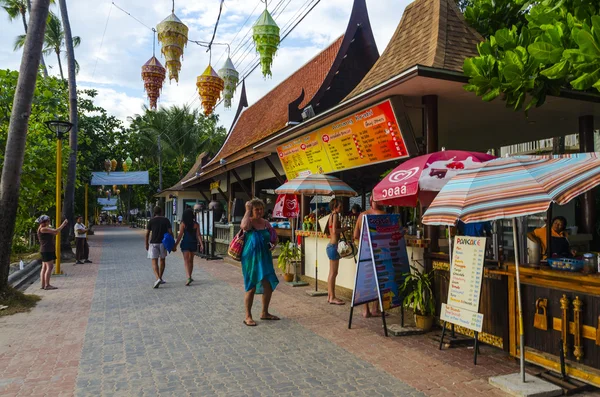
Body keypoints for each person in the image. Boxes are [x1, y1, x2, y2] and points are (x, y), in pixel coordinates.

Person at [240, 198, 279, 326]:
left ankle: (264, 312)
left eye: (261, 209)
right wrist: (247, 210)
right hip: (251, 259)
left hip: (265, 258)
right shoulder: (249, 222)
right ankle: (248, 316)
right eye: (257, 209)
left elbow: (274, 237)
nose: (260, 211)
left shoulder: (266, 223)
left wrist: (273, 244)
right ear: (252, 210)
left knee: (268, 285)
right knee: (251, 287)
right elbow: (244, 226)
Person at [354, 195, 387, 317]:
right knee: (378, 280)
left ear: (370, 201)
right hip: (379, 251)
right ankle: (375, 308)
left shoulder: (362, 215)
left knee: (365, 280)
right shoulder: (384, 215)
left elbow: (355, 235)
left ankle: (365, 310)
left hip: (364, 251)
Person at [326, 198, 350, 305]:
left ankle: (330, 295)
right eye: (340, 206)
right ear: (334, 207)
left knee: (332, 273)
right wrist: (345, 228)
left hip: (331, 245)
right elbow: (335, 230)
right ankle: (332, 297)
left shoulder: (330, 216)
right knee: (334, 273)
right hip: (334, 246)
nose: (341, 208)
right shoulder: (335, 215)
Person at [36, 215, 68, 290]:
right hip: (47, 250)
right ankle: (47, 285)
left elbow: (55, 233)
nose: (49, 222)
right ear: (45, 222)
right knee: (49, 267)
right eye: (48, 221)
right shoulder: (43, 229)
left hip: (46, 249)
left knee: (44, 267)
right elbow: (56, 231)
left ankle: (43, 284)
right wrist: (63, 224)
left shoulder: (44, 228)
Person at [145, 206, 174, 288]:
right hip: (163, 243)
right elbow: (170, 232)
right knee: (162, 260)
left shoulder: (151, 221)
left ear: (154, 212)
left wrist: (146, 244)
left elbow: (147, 234)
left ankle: (157, 278)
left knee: (154, 261)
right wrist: (172, 244)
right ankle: (160, 277)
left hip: (153, 243)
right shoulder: (166, 220)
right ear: (161, 211)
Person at [174, 208, 204, 286]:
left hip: (186, 243)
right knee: (191, 260)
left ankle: (188, 277)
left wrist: (175, 245)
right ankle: (190, 276)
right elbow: (198, 235)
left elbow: (180, 235)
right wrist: (201, 244)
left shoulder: (183, 224)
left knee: (186, 261)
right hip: (193, 243)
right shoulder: (196, 224)